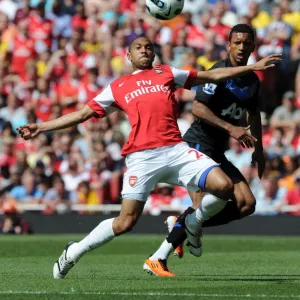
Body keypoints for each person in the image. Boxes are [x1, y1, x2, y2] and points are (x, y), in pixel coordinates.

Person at [17, 36, 280, 279]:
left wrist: (252, 67)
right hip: (142, 158)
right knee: (125, 223)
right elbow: (82, 114)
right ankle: (73, 252)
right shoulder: (117, 86)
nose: (145, 50)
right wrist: (41, 127)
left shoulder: (166, 73)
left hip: (176, 150)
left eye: (149, 47)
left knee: (223, 187)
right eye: (139, 47)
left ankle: (189, 222)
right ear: (128, 55)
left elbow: (211, 74)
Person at [147, 24, 276, 276]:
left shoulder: (251, 80)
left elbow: (254, 115)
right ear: (228, 45)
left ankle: (183, 224)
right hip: (198, 145)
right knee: (201, 207)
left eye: (246, 43)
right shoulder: (219, 72)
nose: (241, 47)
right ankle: (157, 258)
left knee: (247, 204)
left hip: (217, 151)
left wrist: (259, 152)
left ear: (253, 46)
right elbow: (197, 108)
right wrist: (231, 128)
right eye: (236, 43)